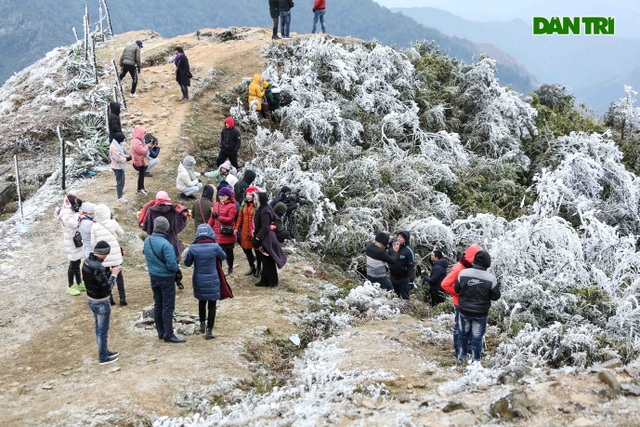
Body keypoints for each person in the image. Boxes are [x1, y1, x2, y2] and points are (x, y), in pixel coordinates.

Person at [454, 250, 500, 363]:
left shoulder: (463, 273)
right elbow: (495, 297)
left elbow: (456, 289)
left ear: (474, 260)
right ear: (488, 263)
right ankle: (475, 361)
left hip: (464, 310)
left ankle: (461, 358)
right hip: (480, 313)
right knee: (477, 338)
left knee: (462, 334)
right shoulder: (491, 278)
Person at [143, 217, 184, 343]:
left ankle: (160, 332)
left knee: (158, 304)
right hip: (166, 278)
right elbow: (172, 265)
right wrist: (177, 268)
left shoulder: (147, 240)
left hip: (153, 276)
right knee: (168, 306)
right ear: (166, 228)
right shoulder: (166, 244)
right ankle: (169, 334)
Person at [184, 224, 227, 340]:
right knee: (212, 305)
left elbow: (187, 263)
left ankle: (202, 326)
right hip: (213, 279)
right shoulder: (215, 247)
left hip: (198, 279)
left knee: (202, 302)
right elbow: (224, 257)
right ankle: (209, 331)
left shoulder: (193, 248)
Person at [83, 240, 122, 364]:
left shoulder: (87, 262)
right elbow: (107, 287)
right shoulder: (98, 268)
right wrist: (114, 274)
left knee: (98, 329)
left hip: (91, 299)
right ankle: (103, 358)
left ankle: (104, 351)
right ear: (105, 253)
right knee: (102, 331)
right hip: (101, 302)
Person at [441, 244, 483, 356]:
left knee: (468, 328)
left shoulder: (471, 267)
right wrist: (460, 294)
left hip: (469, 303)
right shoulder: (459, 268)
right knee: (460, 328)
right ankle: (458, 349)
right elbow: (445, 284)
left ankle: (468, 348)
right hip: (460, 303)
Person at [143, 191, 189, 290]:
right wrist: (185, 220)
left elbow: (148, 226)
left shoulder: (151, 210)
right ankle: (178, 280)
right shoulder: (172, 210)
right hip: (171, 239)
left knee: (160, 260)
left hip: (157, 240)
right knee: (173, 260)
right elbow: (179, 226)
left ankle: (164, 282)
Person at [91, 204, 127, 306]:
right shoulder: (113, 223)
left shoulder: (94, 226)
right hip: (115, 253)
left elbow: (93, 244)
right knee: (119, 276)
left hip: (103, 255)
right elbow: (121, 233)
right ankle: (122, 298)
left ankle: (110, 299)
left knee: (106, 277)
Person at [253, 192, 287, 287]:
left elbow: (265, 227)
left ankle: (272, 282)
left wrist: (257, 238)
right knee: (266, 260)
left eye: (256, 199)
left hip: (266, 239)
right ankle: (265, 280)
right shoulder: (262, 208)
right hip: (264, 238)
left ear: (260, 200)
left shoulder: (265, 211)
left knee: (268, 261)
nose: (254, 201)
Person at [54, 195, 85, 295]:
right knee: (73, 264)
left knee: (77, 262)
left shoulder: (69, 211)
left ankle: (79, 283)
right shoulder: (66, 215)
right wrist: (78, 215)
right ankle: (70, 286)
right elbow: (75, 224)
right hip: (71, 241)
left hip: (75, 239)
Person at [208, 187, 237, 276]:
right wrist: (208, 227)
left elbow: (230, 219)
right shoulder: (216, 204)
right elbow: (212, 217)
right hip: (217, 233)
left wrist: (219, 218)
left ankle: (230, 267)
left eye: (223, 195)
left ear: (228, 196)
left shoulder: (232, 206)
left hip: (227, 233)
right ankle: (219, 270)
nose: (220, 197)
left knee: (229, 252)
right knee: (217, 254)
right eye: (219, 195)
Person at [235, 186, 261, 276]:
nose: (248, 196)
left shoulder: (258, 206)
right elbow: (240, 218)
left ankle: (259, 268)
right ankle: (252, 267)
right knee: (247, 250)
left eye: (250, 194)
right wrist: (236, 228)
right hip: (245, 231)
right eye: (247, 194)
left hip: (255, 232)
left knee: (257, 251)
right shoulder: (244, 204)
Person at [388, 231, 415, 300]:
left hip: (403, 278)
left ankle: (406, 309)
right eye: (398, 237)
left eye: (401, 237)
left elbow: (411, 266)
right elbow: (388, 260)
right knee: (393, 297)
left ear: (405, 239)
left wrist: (411, 280)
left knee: (405, 298)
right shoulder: (392, 249)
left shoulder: (408, 251)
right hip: (392, 277)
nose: (399, 239)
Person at [109, 132, 131, 203]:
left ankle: (120, 193)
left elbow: (121, 154)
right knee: (120, 182)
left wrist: (127, 156)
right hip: (117, 167)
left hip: (120, 166)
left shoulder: (117, 144)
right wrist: (126, 159)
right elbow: (118, 158)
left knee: (122, 181)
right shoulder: (114, 147)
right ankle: (119, 197)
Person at [130, 125, 149, 195]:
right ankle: (139, 189)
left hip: (140, 160)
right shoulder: (136, 141)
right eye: (143, 133)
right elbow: (141, 151)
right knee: (141, 176)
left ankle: (142, 188)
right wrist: (147, 147)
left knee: (142, 175)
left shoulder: (137, 140)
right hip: (139, 161)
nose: (143, 135)